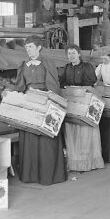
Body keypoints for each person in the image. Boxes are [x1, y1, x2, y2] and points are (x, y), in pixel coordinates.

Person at [15, 35, 67, 184]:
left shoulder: (47, 63)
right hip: (29, 106)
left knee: (45, 139)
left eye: (30, 47)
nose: (28, 50)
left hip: (45, 104)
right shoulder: (24, 65)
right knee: (30, 138)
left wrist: (47, 98)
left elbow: (53, 86)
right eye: (26, 47)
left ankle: (48, 175)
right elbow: (19, 87)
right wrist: (10, 93)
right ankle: (30, 175)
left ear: (39, 47)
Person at [60, 44, 103, 172]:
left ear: (79, 54)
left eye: (73, 53)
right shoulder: (67, 67)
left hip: (85, 104)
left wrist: (79, 89)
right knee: (72, 132)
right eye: (69, 53)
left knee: (86, 132)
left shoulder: (87, 66)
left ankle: (89, 162)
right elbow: (62, 83)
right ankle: (75, 163)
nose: (71, 56)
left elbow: (92, 82)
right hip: (72, 105)